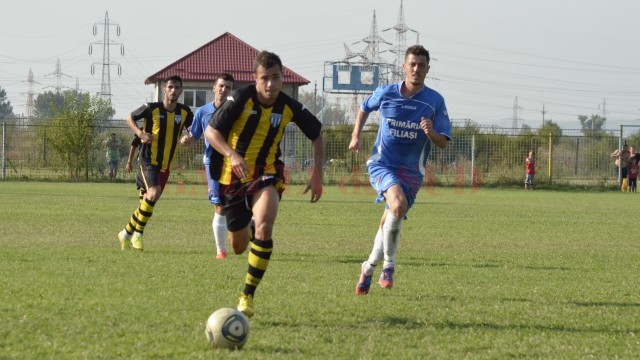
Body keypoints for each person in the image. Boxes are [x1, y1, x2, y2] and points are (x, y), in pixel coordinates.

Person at [205, 50, 323, 317]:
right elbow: (211, 131)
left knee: (266, 225)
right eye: (265, 78)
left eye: (276, 78)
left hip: (266, 172)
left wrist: (317, 173)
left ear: (282, 77)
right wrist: (232, 154)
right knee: (237, 247)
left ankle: (247, 295)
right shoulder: (239, 98)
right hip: (232, 176)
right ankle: (247, 222)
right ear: (255, 79)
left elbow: (317, 134)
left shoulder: (288, 105)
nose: (271, 84)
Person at [348, 45, 451, 296]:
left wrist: (431, 132)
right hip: (382, 163)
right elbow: (364, 107)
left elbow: (443, 142)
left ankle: (368, 267)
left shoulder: (435, 101)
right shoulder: (386, 93)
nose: (416, 69)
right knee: (397, 204)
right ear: (404, 66)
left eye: (421, 65)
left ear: (428, 69)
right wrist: (355, 135)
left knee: (389, 220)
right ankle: (389, 267)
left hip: (411, 173)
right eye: (412, 64)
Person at [117, 75, 194, 251]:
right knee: (153, 193)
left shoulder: (185, 112)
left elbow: (191, 131)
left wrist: (188, 138)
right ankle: (138, 234)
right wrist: (140, 133)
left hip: (166, 164)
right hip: (147, 160)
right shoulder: (151, 108)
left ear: (181, 91)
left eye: (177, 87)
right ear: (164, 90)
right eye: (171, 87)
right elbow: (129, 117)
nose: (174, 90)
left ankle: (126, 234)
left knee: (147, 201)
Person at [181, 73, 235, 259]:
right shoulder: (202, 112)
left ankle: (241, 234)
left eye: (228, 87)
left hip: (233, 162)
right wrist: (185, 140)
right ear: (214, 87)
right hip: (212, 162)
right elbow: (194, 136)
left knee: (237, 203)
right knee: (219, 204)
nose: (224, 89)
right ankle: (220, 249)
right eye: (221, 85)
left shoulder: (235, 111)